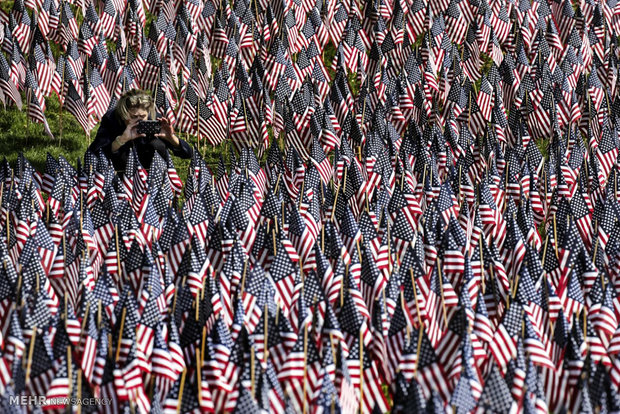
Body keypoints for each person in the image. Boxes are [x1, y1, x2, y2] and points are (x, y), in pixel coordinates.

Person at [89, 89, 192, 171]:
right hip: (121, 168)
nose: (138, 121)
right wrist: (121, 141)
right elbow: (95, 153)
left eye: (142, 116)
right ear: (123, 114)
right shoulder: (112, 119)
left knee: (157, 145)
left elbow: (188, 154)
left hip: (150, 166)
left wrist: (171, 138)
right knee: (124, 152)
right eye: (133, 117)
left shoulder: (155, 119)